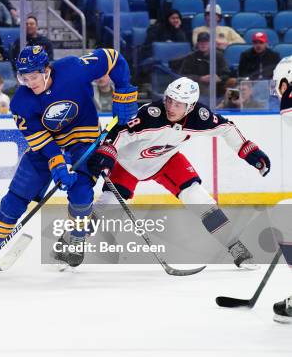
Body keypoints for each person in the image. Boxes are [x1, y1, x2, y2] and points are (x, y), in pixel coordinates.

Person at [0, 45, 138, 270]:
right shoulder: (20, 102)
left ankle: (76, 240)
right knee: (17, 196)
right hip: (48, 144)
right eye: (24, 77)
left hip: (83, 136)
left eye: (34, 76)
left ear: (46, 69)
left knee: (81, 191)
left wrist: (124, 92)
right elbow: (43, 143)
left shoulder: (73, 68)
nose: (30, 83)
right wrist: (56, 163)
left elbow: (114, 58)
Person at [92, 77, 270, 269]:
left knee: (200, 199)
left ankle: (235, 247)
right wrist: (108, 153)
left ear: (190, 106)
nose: (171, 107)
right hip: (128, 165)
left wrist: (248, 150)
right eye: (169, 100)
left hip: (166, 160)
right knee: (106, 205)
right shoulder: (149, 115)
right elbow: (118, 133)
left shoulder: (199, 117)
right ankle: (70, 242)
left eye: (178, 104)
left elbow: (227, 128)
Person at [179, 32, 236, 101]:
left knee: (233, 82)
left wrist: (219, 78)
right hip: (198, 85)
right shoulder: (191, 57)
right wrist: (200, 78)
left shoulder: (218, 55)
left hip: (218, 84)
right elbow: (183, 75)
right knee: (206, 87)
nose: (203, 44)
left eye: (206, 42)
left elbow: (226, 72)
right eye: (201, 42)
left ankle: (232, 104)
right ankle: (207, 108)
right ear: (197, 44)